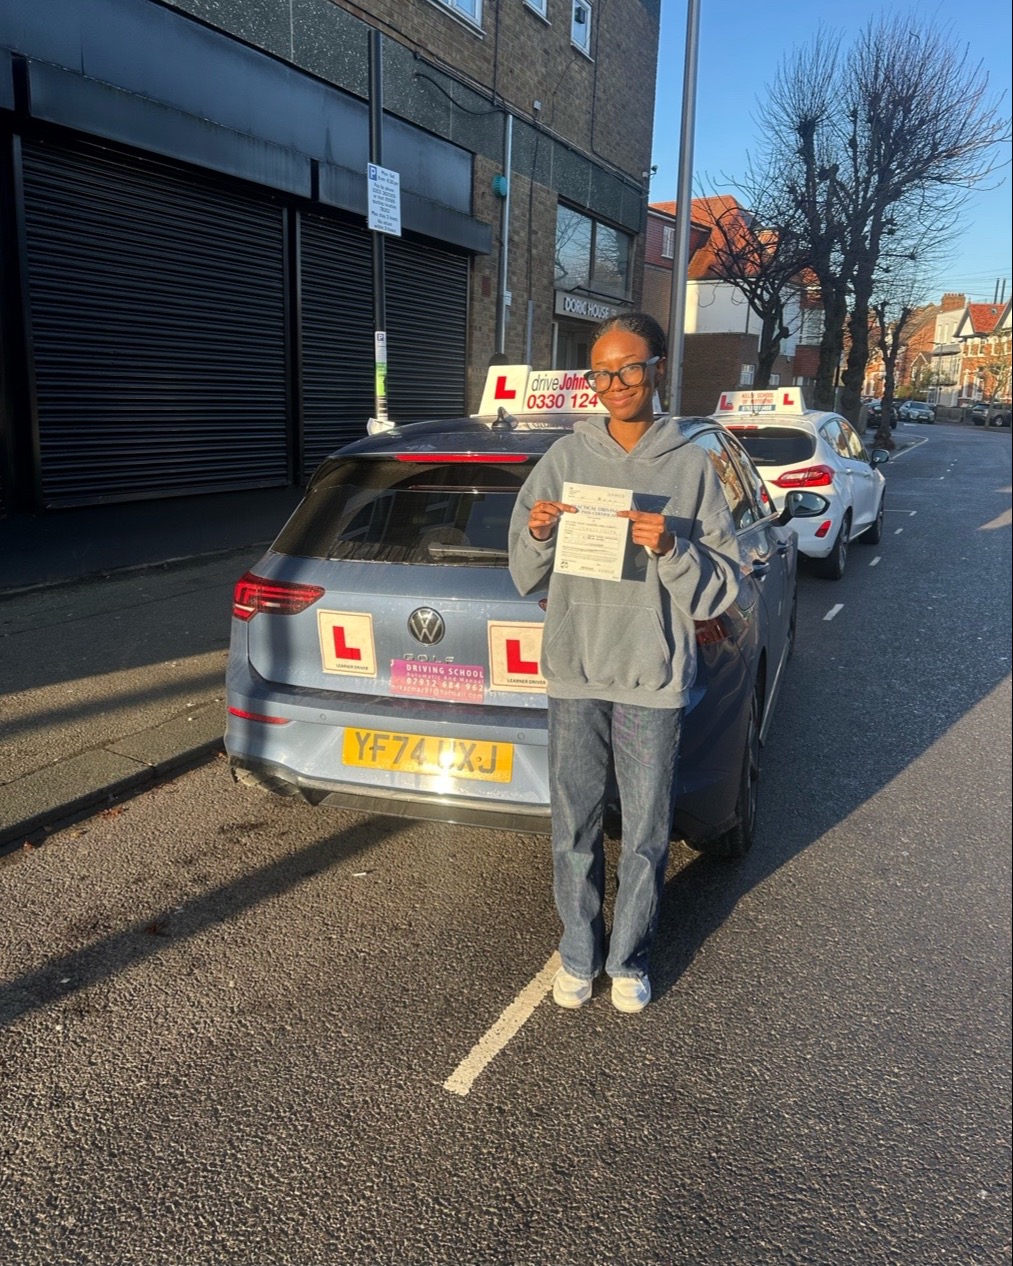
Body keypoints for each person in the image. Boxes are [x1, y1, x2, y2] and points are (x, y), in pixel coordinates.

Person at [507, 312, 743, 1013]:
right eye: (601, 372)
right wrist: (541, 533)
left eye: (629, 368)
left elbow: (722, 585)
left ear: (657, 367)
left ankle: (629, 955)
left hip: (651, 674)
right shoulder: (562, 460)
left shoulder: (691, 466)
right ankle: (578, 953)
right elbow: (522, 571)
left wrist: (673, 550)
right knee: (572, 825)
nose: (613, 384)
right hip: (577, 668)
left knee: (643, 831)